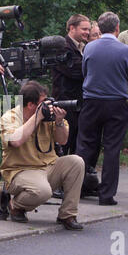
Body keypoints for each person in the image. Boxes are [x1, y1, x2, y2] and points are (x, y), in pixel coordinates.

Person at [0, 81, 85, 230]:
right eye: (43, 103)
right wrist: (37, 117)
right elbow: (16, 141)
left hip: (48, 167)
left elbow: (63, 141)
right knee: (43, 191)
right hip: (21, 171)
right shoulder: (10, 117)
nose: (48, 106)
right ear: (31, 105)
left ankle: (67, 215)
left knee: (76, 162)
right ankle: (15, 205)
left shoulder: (48, 116)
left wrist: (59, 122)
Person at [76, 12, 128, 206]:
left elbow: (85, 72)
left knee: (85, 145)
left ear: (100, 29)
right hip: (116, 102)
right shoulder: (124, 50)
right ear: (117, 28)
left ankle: (76, 188)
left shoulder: (89, 48)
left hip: (92, 101)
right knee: (112, 148)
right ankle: (107, 195)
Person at [50, 14, 90, 156]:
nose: (87, 32)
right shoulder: (62, 47)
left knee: (78, 144)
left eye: (88, 29)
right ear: (72, 28)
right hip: (65, 102)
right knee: (63, 144)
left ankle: (75, 176)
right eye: (84, 29)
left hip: (80, 102)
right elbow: (75, 71)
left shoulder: (84, 48)